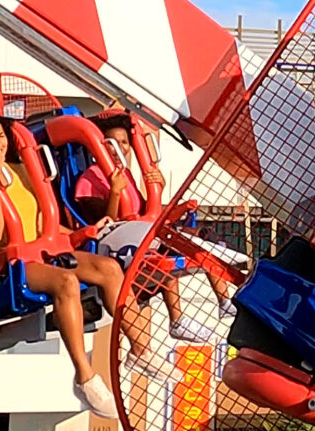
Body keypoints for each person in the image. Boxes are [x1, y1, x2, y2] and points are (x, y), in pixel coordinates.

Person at [0, 110, 137, 418]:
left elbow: (42, 221)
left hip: (38, 251)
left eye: (1, 136)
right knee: (65, 282)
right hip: (0, 268)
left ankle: (142, 351)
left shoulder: (18, 170)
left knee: (109, 269)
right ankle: (85, 377)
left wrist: (80, 234)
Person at [73, 113, 221, 345]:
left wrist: (158, 187)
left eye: (124, 143)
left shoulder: (127, 177)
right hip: (111, 241)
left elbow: (145, 211)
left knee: (202, 238)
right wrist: (114, 191)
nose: (118, 149)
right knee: (163, 248)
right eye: (112, 143)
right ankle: (171, 323)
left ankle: (224, 301)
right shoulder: (90, 178)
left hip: (137, 232)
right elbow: (103, 220)